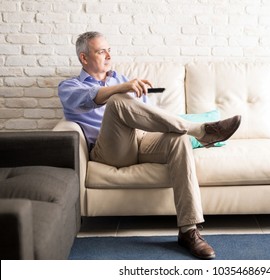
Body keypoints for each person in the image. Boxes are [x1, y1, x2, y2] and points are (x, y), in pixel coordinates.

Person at [58, 31, 241, 260]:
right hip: (110, 151)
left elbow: (147, 116)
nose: (108, 55)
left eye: (109, 50)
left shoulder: (120, 77)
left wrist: (127, 90)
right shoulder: (69, 86)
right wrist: (122, 88)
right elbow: (95, 97)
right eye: (101, 51)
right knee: (117, 100)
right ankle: (200, 130)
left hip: (141, 139)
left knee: (179, 140)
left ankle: (188, 231)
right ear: (84, 58)